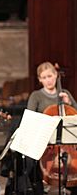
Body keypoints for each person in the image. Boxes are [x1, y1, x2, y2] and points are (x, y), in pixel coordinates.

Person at [27, 61, 77, 195]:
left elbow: (75, 114)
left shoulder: (64, 93)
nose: (48, 80)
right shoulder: (36, 96)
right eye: (44, 77)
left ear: (56, 76)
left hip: (66, 140)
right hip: (45, 140)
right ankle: (40, 185)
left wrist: (69, 103)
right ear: (39, 79)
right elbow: (30, 117)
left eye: (50, 76)